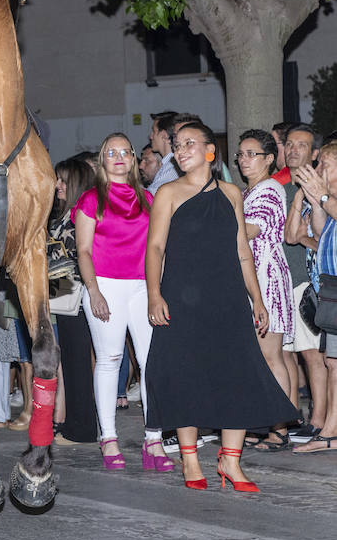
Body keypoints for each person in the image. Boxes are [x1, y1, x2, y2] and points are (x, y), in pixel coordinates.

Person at [145, 120, 298, 489]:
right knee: (186, 375)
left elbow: (242, 251)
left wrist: (257, 299)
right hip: (181, 297)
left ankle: (230, 461)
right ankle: (190, 460)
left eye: (189, 143)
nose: (181, 151)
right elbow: (155, 247)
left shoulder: (231, 193)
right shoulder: (168, 192)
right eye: (177, 145)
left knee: (236, 375)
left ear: (210, 151)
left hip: (227, 298)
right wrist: (154, 294)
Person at [74, 134, 170, 471]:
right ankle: (109, 437)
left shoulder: (148, 198)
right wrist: (94, 290)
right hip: (105, 285)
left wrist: (157, 290)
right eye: (111, 152)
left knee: (151, 363)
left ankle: (154, 439)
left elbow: (158, 249)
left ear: (132, 159)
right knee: (109, 359)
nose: (118, 157)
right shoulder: (91, 199)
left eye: (125, 152)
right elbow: (83, 250)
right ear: (103, 159)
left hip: (143, 287)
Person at [236, 130, 299, 451]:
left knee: (271, 355)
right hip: (254, 278)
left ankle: (279, 428)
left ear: (270, 158)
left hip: (267, 279)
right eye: (241, 154)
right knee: (267, 357)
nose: (244, 160)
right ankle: (268, 422)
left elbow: (249, 230)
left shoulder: (270, 189)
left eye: (252, 154)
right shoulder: (250, 191)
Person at [290, 143, 337, 453]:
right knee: (332, 360)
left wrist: (321, 197)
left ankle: (330, 432)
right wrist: (316, 202)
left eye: (326, 165)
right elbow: (318, 234)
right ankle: (331, 432)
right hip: (331, 286)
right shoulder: (328, 199)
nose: (319, 171)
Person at [281, 124, 326, 442]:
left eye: (301, 145)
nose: (293, 149)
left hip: (311, 282)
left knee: (313, 354)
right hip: (288, 280)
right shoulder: (284, 189)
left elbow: (320, 239)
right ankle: (293, 416)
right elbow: (290, 235)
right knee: (290, 353)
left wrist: (308, 241)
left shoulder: (323, 189)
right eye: (289, 144)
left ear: (315, 153)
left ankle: (319, 419)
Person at [48, 157, 96, 444]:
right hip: (65, 296)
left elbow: (79, 257)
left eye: (63, 180)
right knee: (71, 362)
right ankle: (76, 423)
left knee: (78, 364)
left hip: (76, 297)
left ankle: (82, 429)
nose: (57, 185)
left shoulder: (79, 216)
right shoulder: (67, 214)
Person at [146, 111, 183, 193]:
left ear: (164, 136)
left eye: (154, 131)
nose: (151, 136)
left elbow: (151, 196)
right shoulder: (167, 164)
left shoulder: (173, 167)